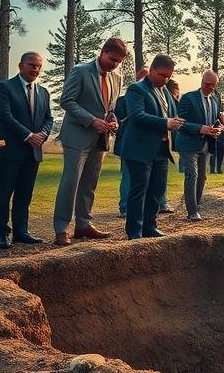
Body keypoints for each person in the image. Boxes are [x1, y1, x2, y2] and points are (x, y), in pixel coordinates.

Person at [53, 37, 125, 246]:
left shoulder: (117, 78)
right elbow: (67, 101)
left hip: (100, 139)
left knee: (90, 183)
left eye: (118, 62)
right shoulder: (80, 71)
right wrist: (91, 121)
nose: (114, 65)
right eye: (112, 59)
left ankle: (83, 224)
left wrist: (113, 121)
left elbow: (109, 109)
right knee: (71, 182)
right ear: (102, 51)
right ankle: (61, 228)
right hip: (76, 136)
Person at [0, 52, 53, 248]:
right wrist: (28, 136)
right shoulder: (4, 87)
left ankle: (21, 232)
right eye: (32, 65)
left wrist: (42, 134)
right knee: (3, 194)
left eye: (39, 66)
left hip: (32, 153)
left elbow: (49, 118)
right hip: (9, 152)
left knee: (24, 194)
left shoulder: (43, 92)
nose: (36, 69)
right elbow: (5, 115)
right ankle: (1, 235)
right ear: (20, 65)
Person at [116, 55, 183, 239]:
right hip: (139, 149)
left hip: (161, 150)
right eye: (162, 75)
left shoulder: (166, 91)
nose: (166, 79)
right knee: (139, 190)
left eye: (169, 76)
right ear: (152, 70)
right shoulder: (136, 89)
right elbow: (137, 116)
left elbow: (174, 116)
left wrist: (199, 127)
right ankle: (134, 232)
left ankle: (149, 226)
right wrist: (165, 123)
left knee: (157, 189)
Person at [174, 70, 223, 221]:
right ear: (202, 81)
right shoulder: (188, 98)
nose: (209, 87)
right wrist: (200, 128)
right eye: (207, 84)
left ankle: (196, 204)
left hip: (206, 144)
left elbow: (216, 120)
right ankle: (192, 212)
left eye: (213, 85)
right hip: (188, 144)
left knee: (202, 177)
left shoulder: (215, 99)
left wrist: (218, 129)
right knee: (192, 175)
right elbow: (180, 123)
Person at [116, 67, 149, 218]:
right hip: (128, 143)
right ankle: (125, 207)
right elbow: (118, 120)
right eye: (143, 79)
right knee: (128, 175)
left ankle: (140, 206)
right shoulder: (123, 100)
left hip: (146, 144)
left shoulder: (152, 98)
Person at [158, 79, 180, 214]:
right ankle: (162, 202)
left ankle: (162, 202)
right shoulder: (168, 97)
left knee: (160, 174)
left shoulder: (170, 99)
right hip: (159, 139)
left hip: (165, 140)